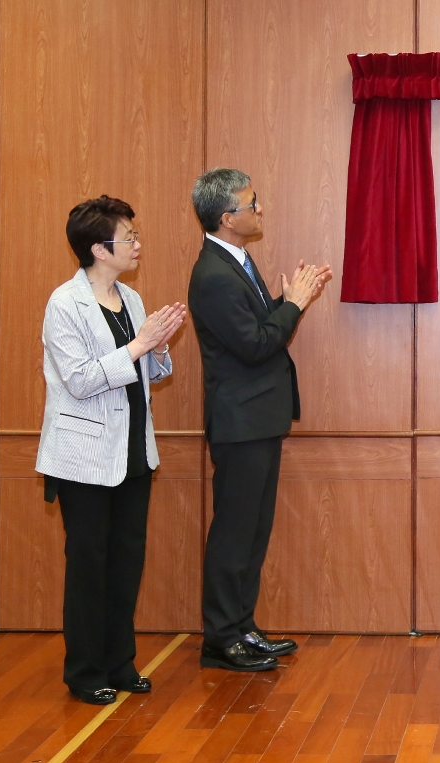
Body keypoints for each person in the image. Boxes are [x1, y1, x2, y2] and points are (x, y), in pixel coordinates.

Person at [36, 196, 186, 705]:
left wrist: (160, 346)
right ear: (100, 248)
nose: (137, 244)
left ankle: (120, 662)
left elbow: (149, 376)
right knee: (88, 565)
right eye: (129, 237)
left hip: (132, 454)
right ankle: (84, 671)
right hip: (84, 458)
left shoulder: (132, 299)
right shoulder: (65, 303)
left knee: (126, 561)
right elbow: (79, 381)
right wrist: (141, 345)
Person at [188, 169, 331, 672]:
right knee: (235, 531)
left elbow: (252, 328)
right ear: (227, 218)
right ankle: (220, 638)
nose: (260, 210)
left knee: (253, 529)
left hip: (259, 419)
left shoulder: (236, 262)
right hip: (240, 422)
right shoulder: (211, 274)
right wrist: (292, 306)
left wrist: (282, 303)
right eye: (253, 203)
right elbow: (253, 346)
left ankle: (242, 627)